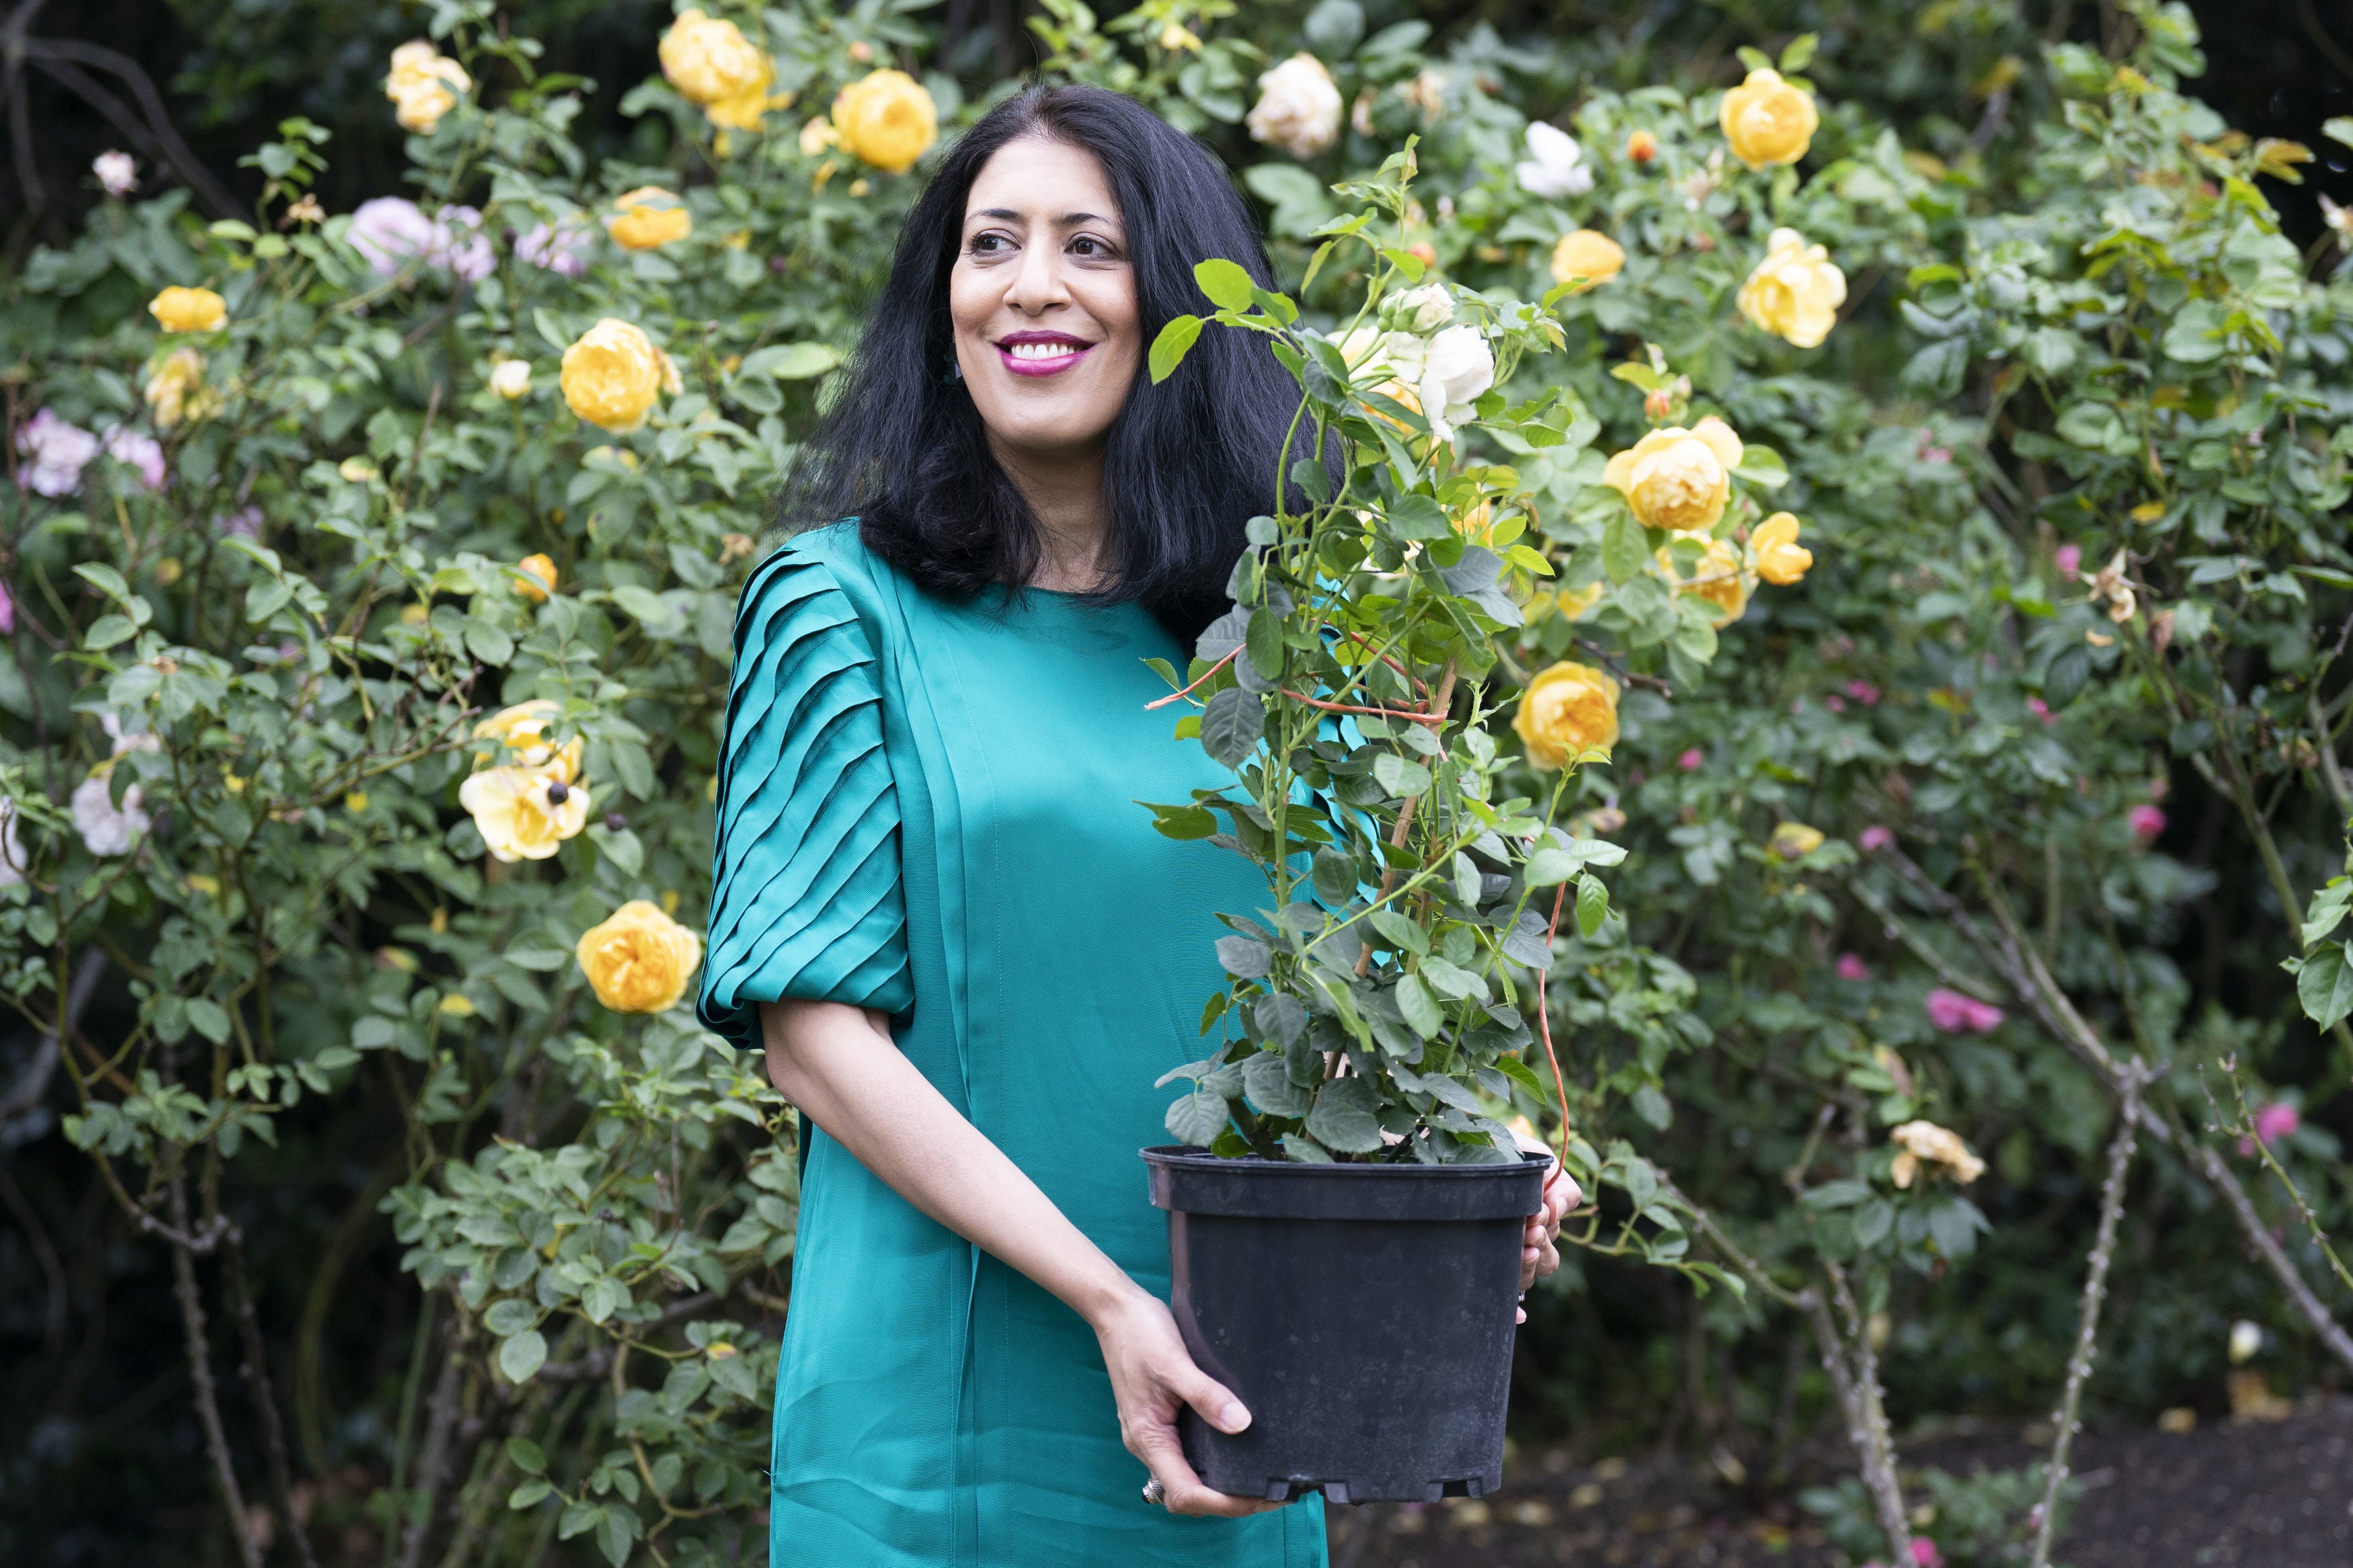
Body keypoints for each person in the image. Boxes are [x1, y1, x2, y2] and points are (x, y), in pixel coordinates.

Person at [696, 83, 1578, 1568]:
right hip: (945, 1427)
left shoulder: (1275, 649)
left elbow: (1335, 999)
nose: (1031, 286)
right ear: (943, 305)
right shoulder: (841, 610)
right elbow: (812, 1035)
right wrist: (1113, 1305)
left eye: (1088, 247)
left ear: (1176, 305)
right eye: (990, 245)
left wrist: (1481, 1151)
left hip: (1237, 1396)